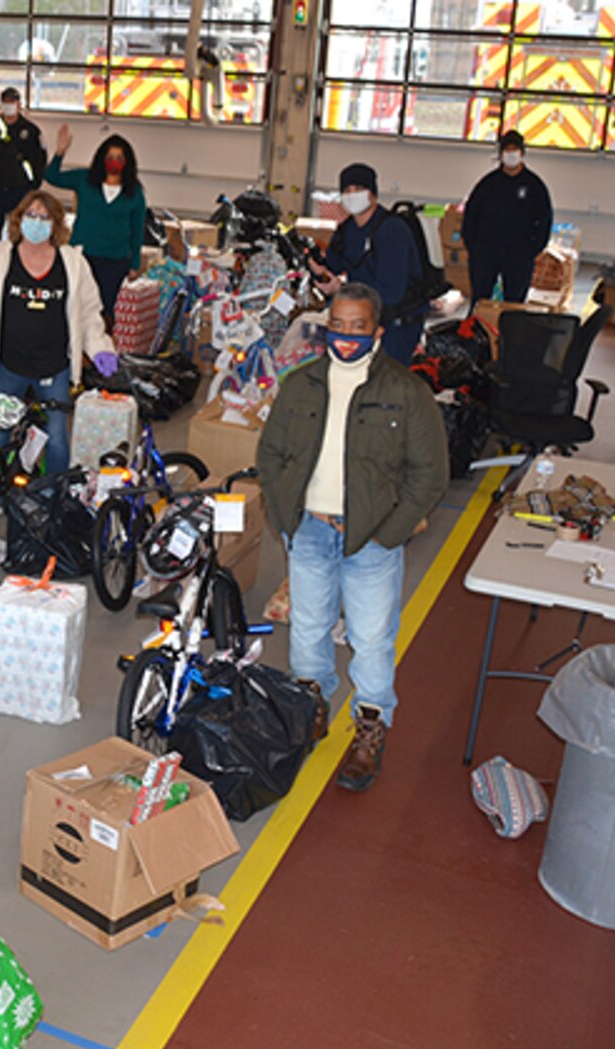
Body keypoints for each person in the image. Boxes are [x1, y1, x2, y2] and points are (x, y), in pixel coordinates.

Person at [255, 283, 448, 791]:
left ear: (377, 331)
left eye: (357, 326)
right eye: (337, 325)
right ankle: (310, 707)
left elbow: (430, 475)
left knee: (371, 637)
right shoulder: (300, 385)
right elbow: (270, 456)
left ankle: (370, 727)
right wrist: (286, 518)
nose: (345, 335)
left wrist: (389, 533)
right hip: (310, 531)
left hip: (372, 540)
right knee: (309, 629)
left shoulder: (407, 392)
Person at [0, 191, 115, 478]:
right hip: (8, 366)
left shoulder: (72, 264)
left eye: (44, 217)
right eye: (31, 215)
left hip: (53, 368)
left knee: (57, 439)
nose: (37, 222)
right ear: (19, 219)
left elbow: (88, 315)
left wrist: (101, 349)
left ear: (56, 224)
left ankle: (51, 499)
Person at [309, 163, 425, 364]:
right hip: (363, 315)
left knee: (383, 385)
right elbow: (333, 265)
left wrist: (343, 290)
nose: (352, 195)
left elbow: (391, 293)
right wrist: (319, 273)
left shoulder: (392, 230)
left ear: (373, 193)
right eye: (347, 190)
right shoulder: (347, 229)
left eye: (359, 189)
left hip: (396, 323)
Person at [45, 126, 147, 323]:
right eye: (110, 157)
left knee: (106, 309)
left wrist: (135, 264)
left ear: (127, 162)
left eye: (119, 158)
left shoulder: (135, 193)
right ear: (102, 159)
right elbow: (52, 177)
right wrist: (60, 152)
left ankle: (101, 349)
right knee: (77, 305)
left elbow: (137, 231)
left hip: (115, 261)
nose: (114, 162)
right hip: (83, 256)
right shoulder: (84, 179)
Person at [461, 130, 553, 308]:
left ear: (522, 154)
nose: (511, 155)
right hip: (486, 251)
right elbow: (471, 214)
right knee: (480, 301)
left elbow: (544, 219)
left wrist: (533, 249)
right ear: (501, 154)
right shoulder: (488, 184)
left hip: (519, 253)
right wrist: (473, 246)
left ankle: (510, 335)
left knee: (515, 303)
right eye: (507, 151)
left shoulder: (534, 186)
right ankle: (477, 333)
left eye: (515, 151)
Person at [0, 88, 47, 248]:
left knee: (20, 236)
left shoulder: (31, 131)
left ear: (19, 105)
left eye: (12, 102)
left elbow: (40, 160)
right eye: (6, 102)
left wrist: (33, 187)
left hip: (20, 191)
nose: (9, 106)